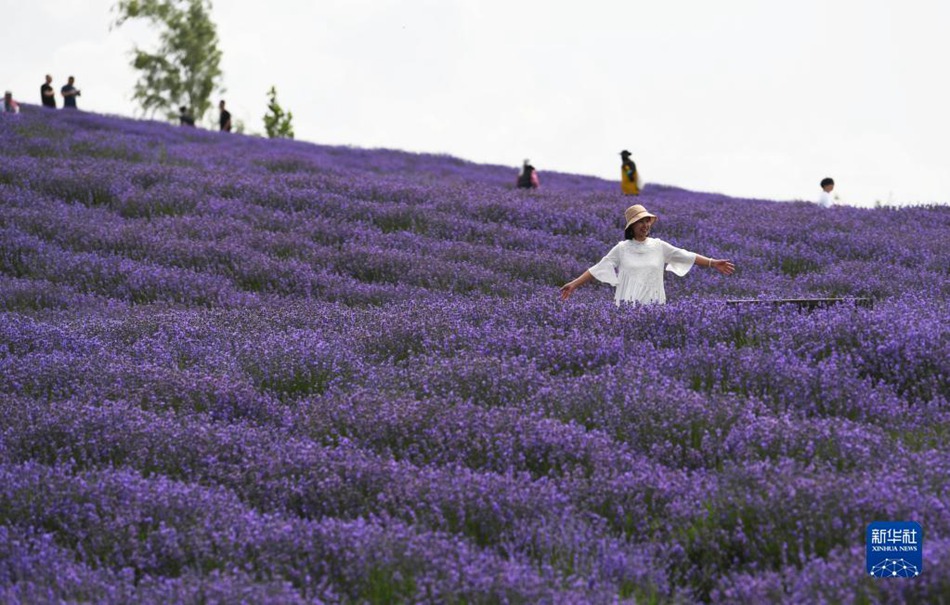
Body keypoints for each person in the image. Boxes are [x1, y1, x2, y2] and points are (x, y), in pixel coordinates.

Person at [560, 203, 735, 305]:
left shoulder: (659, 246)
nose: (645, 225)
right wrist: (574, 284)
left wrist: (713, 262)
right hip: (627, 306)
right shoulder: (621, 248)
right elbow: (599, 268)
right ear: (632, 227)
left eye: (647, 221)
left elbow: (686, 255)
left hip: (654, 304)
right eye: (640, 222)